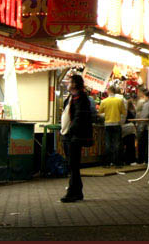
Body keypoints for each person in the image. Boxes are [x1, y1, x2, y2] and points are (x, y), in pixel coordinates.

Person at [60, 74, 93, 202]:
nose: (67, 83)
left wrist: (70, 131)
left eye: (69, 82)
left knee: (73, 164)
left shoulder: (81, 98)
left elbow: (79, 117)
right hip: (69, 134)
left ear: (74, 84)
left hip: (74, 136)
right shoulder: (72, 97)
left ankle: (72, 191)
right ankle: (77, 191)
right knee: (72, 164)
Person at [99, 85, 126, 167]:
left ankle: (107, 162)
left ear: (108, 91)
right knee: (117, 143)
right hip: (117, 123)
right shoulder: (119, 101)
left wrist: (106, 116)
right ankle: (117, 163)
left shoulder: (104, 101)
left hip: (107, 124)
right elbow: (123, 113)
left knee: (108, 143)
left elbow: (100, 113)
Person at [135, 89, 149, 164]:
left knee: (142, 144)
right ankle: (147, 159)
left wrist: (140, 126)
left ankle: (141, 160)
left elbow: (144, 116)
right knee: (148, 144)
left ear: (147, 96)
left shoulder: (147, 104)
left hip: (145, 127)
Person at [121, 97, 137, 165]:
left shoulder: (122, 111)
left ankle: (123, 160)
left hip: (124, 129)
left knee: (123, 145)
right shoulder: (129, 111)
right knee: (130, 145)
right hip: (130, 129)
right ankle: (131, 160)